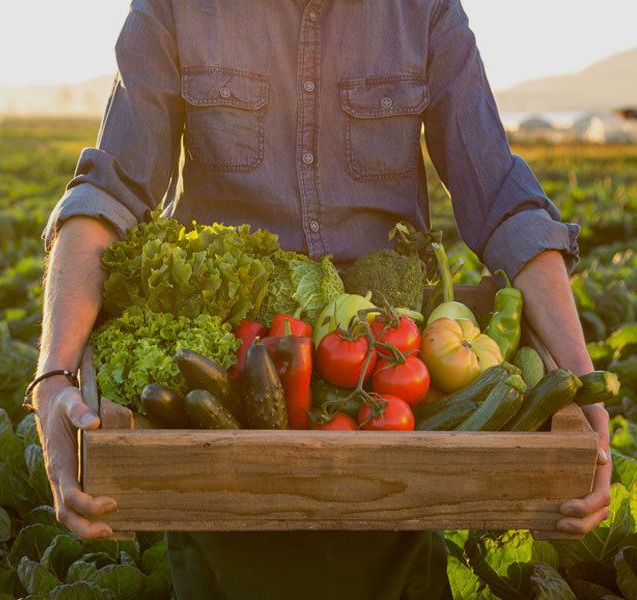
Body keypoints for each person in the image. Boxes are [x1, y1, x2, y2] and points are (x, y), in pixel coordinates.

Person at [32, 1, 611, 597]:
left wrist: (581, 378)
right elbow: (108, 191)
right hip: (227, 400)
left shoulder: (424, 9)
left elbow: (501, 199)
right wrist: (53, 376)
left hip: (390, 390)